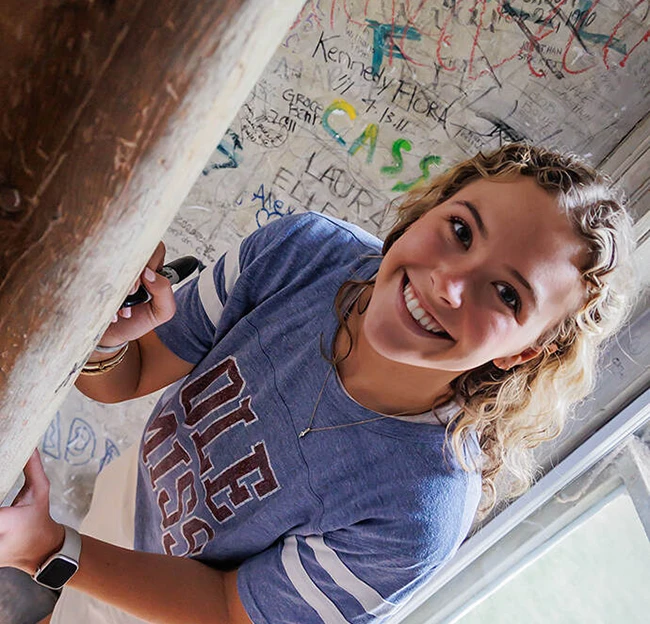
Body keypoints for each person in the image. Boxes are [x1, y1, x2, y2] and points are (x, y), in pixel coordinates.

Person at [0, 143, 636, 624]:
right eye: (461, 231)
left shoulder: (420, 511)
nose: (448, 282)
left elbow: (227, 609)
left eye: (505, 293)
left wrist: (52, 549)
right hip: (109, 533)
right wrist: (110, 337)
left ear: (526, 352)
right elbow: (127, 376)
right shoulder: (298, 254)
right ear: (427, 211)